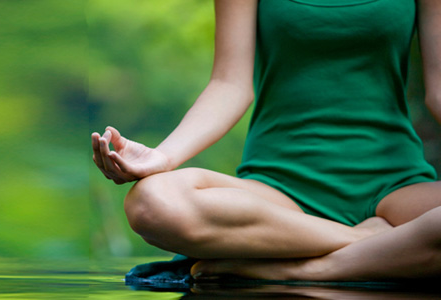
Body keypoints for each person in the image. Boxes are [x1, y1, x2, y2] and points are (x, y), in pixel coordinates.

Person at [91, 0, 441, 281]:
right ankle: (378, 244)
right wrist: (163, 157)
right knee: (152, 203)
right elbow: (229, 85)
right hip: (277, 192)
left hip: (396, 190)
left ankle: (310, 268)